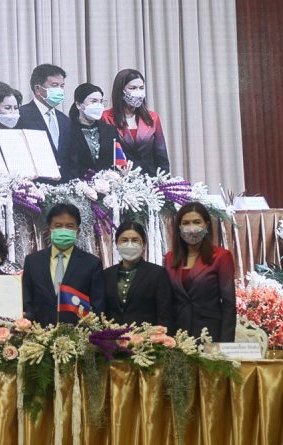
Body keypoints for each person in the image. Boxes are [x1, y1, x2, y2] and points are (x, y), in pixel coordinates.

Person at [22, 203, 105, 326]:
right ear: (49, 230)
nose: (64, 230)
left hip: (77, 333)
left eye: (69, 226)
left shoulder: (92, 263)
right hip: (38, 333)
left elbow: (97, 306)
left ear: (77, 231)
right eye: (58, 226)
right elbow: (27, 300)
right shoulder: (32, 261)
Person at [165, 202, 236, 342]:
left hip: (209, 333)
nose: (191, 228)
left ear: (207, 225)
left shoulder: (221, 256)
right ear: (179, 227)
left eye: (197, 222)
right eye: (186, 223)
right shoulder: (170, 258)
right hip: (177, 333)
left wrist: (226, 344)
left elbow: (229, 304)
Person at [101, 69, 170, 176]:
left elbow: (161, 154)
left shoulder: (152, 117)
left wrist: (165, 180)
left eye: (141, 88)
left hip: (150, 177)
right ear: (120, 91)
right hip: (119, 179)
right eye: (132, 88)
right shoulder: (106, 117)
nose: (138, 92)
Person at [103, 221, 173, 327]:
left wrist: (160, 336)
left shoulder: (157, 274)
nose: (129, 244)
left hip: (146, 336)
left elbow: (165, 315)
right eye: (124, 240)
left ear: (143, 244)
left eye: (135, 240)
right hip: (111, 336)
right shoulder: (107, 274)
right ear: (116, 244)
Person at [16, 64, 73, 180]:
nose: (60, 90)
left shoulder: (64, 119)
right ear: (38, 89)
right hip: (35, 185)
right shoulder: (20, 116)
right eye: (54, 85)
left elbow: (71, 157)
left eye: (62, 86)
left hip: (64, 184)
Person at [66, 83, 120, 179]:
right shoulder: (68, 131)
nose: (98, 106)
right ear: (78, 105)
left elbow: (117, 161)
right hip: (78, 184)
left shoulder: (110, 130)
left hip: (108, 183)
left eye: (101, 102)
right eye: (94, 101)